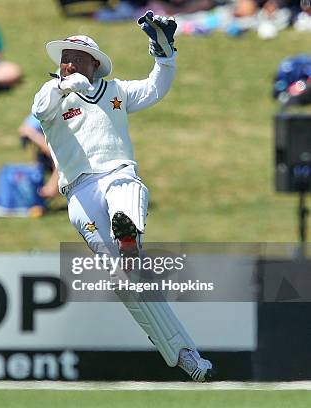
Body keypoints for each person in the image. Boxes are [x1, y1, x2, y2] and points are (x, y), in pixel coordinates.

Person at [31, 12, 215, 382]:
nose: (68, 63)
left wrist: (165, 54)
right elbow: (39, 109)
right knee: (127, 283)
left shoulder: (115, 91)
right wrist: (65, 84)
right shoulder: (52, 95)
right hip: (79, 191)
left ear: (95, 63)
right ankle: (183, 355)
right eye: (65, 58)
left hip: (116, 174)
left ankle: (127, 236)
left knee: (127, 188)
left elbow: (155, 88)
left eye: (77, 57)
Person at [18, 114, 60, 199]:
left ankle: (48, 189)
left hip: (35, 132)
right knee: (58, 158)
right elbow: (25, 129)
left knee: (57, 158)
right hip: (31, 132)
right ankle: (48, 190)